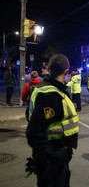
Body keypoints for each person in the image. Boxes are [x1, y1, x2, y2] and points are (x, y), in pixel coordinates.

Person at [25, 53, 79, 187]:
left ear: (48, 69)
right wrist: (56, 155)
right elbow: (33, 133)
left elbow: (29, 115)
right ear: (66, 72)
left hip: (53, 158)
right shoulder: (50, 96)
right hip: (51, 162)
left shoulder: (44, 88)